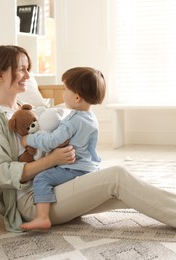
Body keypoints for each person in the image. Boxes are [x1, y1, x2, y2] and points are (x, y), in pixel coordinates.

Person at [0, 45, 176, 234]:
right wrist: (51, 159)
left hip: (57, 184)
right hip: (32, 202)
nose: (28, 75)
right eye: (22, 69)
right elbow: (2, 175)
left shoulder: (25, 109)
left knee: (132, 188)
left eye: (28, 68)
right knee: (118, 177)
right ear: (0, 74)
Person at [19, 67, 106, 230]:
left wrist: (29, 138)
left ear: (77, 97)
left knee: (42, 179)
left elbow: (52, 141)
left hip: (73, 168)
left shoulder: (73, 121)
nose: (63, 93)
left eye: (65, 89)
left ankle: (42, 217)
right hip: (89, 166)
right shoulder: (90, 117)